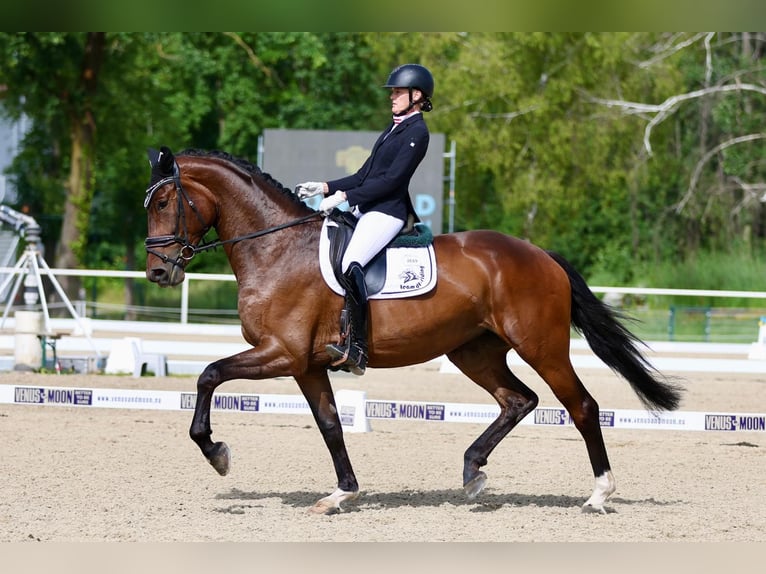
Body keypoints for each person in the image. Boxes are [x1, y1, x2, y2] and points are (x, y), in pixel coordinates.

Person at [295, 63, 434, 376]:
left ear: (417, 95)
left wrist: (345, 198)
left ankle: (357, 347)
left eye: (398, 92)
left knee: (350, 263)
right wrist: (325, 186)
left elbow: (391, 182)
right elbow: (364, 175)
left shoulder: (417, 132)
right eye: (393, 92)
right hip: (367, 207)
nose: (392, 97)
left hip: (388, 212)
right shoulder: (394, 127)